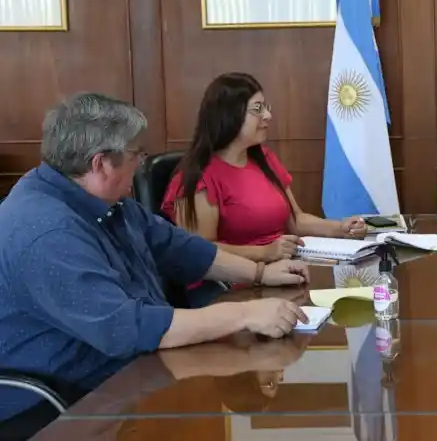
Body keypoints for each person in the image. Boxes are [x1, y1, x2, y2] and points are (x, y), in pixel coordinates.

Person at [0, 93, 311, 430]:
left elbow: (177, 247)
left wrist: (260, 273)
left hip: (136, 370)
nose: (141, 163)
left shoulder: (104, 199)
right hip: (67, 404)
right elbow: (125, 328)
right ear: (101, 164)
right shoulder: (46, 233)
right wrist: (244, 313)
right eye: (137, 154)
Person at [161, 72, 367, 264]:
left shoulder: (264, 159)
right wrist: (265, 253)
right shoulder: (199, 177)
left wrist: (340, 228)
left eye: (266, 107)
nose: (267, 115)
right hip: (227, 283)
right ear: (229, 114)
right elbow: (199, 252)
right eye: (257, 109)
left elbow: (296, 221)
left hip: (280, 268)